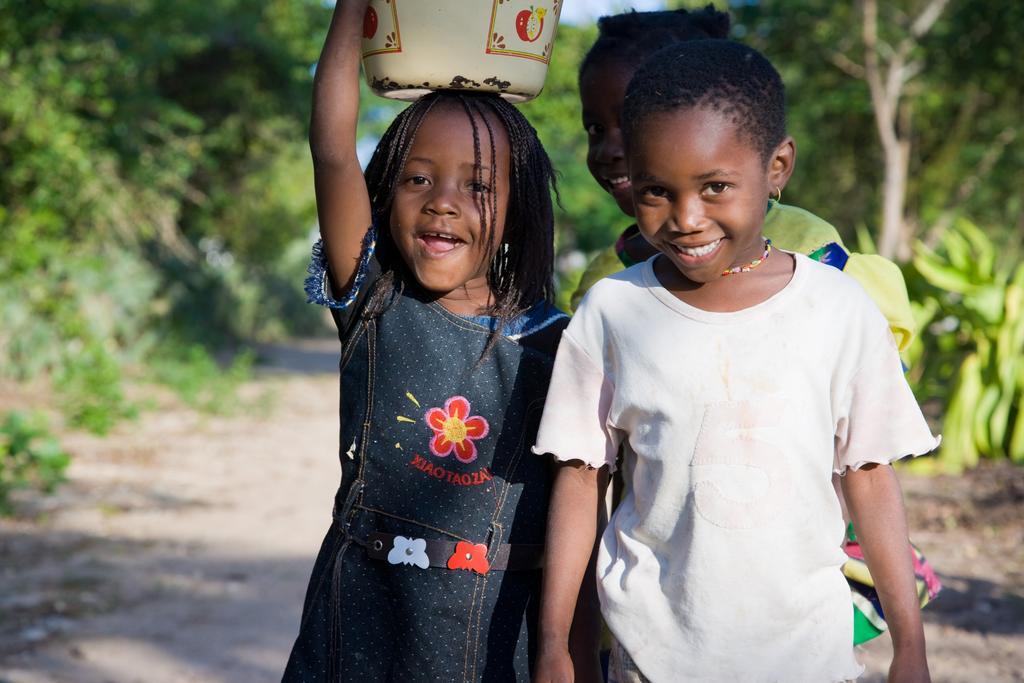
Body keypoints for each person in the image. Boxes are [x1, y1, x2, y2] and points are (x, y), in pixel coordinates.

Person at [533, 40, 938, 682]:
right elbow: (582, 482)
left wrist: (909, 646)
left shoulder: (836, 309)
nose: (687, 219)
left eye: (716, 186)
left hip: (807, 657)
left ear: (777, 167)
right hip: (652, 658)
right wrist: (556, 642)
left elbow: (869, 476)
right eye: (656, 191)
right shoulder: (612, 312)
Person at [283, 1, 570, 679]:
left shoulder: (562, 344)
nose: (444, 200)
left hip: (498, 637)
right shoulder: (375, 300)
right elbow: (330, 145)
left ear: (518, 208)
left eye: (478, 186)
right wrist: (353, 11)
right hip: (359, 627)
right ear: (384, 194)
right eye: (418, 178)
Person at [571, 7, 916, 357]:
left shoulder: (813, 252)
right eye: (596, 129)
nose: (613, 150)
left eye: (635, 122)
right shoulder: (608, 284)